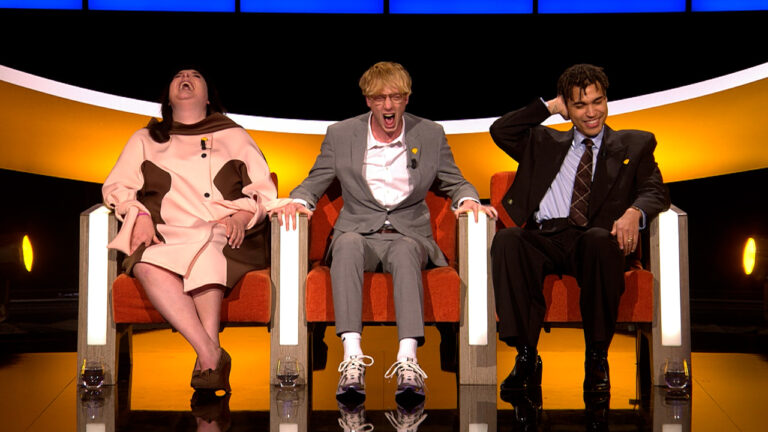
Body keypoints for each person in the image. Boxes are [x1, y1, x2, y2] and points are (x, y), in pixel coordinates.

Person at [271, 61, 496, 404]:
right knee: (346, 244)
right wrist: (297, 202)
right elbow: (314, 181)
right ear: (368, 100)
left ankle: (408, 361)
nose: (388, 106)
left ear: (407, 98)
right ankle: (352, 359)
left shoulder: (430, 133)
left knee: (405, 249)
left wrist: (469, 200)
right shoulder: (341, 134)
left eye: (395, 97)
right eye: (379, 98)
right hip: (357, 231)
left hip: (409, 233)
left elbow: (456, 180)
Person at [489, 64, 669, 395]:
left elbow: (655, 190)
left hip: (593, 240)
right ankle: (526, 356)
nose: (591, 113)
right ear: (568, 109)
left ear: (606, 100)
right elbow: (501, 131)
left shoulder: (634, 144)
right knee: (508, 240)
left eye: (597, 102)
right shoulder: (543, 142)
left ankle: (597, 358)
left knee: (600, 241)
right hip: (545, 237)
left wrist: (635, 211)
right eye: (580, 105)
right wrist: (550, 107)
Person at [103, 68, 286, 392]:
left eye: (195, 76)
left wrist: (241, 216)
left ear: (209, 97)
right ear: (167, 97)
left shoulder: (234, 135)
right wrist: (139, 213)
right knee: (144, 263)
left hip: (227, 230)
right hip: (166, 232)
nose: (185, 77)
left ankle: (209, 359)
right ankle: (210, 352)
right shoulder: (144, 139)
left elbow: (263, 191)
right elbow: (117, 187)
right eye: (178, 75)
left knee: (210, 244)